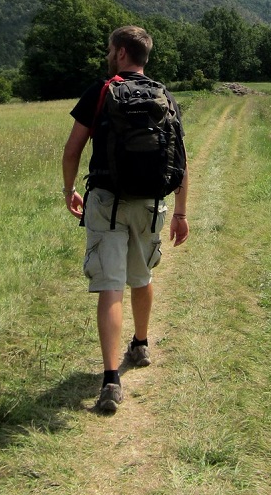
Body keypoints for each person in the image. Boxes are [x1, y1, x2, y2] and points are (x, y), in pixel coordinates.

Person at [61, 25, 189, 413]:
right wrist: (180, 212)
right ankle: (141, 344)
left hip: (106, 201)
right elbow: (181, 162)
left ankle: (111, 379)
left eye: (108, 48)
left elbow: (72, 151)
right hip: (150, 203)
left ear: (120, 53)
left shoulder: (102, 91)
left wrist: (69, 190)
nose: (107, 53)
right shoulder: (164, 95)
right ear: (144, 57)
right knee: (142, 276)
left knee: (110, 286)